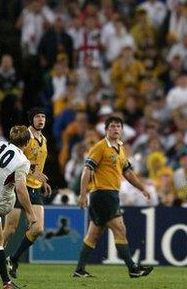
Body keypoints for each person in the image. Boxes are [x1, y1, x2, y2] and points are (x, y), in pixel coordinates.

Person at [73, 115, 154, 278]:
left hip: (110, 194)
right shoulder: (100, 147)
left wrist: (142, 188)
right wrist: (82, 194)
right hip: (102, 194)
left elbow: (128, 173)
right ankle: (132, 268)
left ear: (122, 130)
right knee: (119, 228)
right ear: (106, 130)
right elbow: (87, 170)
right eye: (112, 126)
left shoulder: (120, 149)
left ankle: (79, 270)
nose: (116, 129)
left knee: (93, 234)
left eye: (118, 126)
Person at [0, 107, 51, 281]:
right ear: (31, 119)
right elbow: (16, 157)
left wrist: (42, 181)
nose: (41, 120)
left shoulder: (43, 139)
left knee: (37, 228)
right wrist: (33, 170)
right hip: (18, 186)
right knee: (9, 230)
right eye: (38, 116)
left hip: (35, 188)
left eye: (43, 116)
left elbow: (39, 166)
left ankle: (13, 259)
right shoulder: (25, 137)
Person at [0, 125, 37, 289]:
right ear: (28, 141)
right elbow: (21, 189)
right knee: (0, 237)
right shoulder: (23, 161)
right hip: (1, 205)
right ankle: (5, 282)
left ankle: (5, 282)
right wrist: (31, 213)